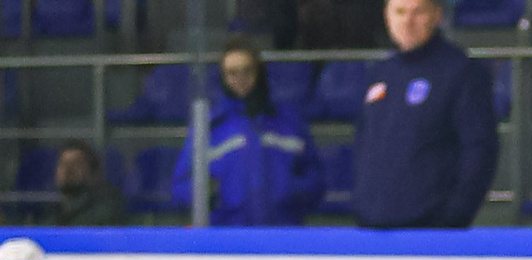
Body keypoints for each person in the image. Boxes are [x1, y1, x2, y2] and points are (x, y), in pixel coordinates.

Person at [351, 0, 499, 231]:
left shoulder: (461, 72)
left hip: (430, 232)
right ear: (387, 17)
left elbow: (480, 150)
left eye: (418, 12)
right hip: (372, 228)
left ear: (436, 15)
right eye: (399, 12)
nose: (407, 22)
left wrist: (453, 218)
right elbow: (363, 142)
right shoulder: (379, 74)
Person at [169, 39, 327, 227]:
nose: (240, 79)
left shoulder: (289, 121)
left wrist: (290, 190)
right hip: (228, 237)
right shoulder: (210, 128)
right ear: (223, 77)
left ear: (259, 72)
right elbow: (180, 187)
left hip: (283, 234)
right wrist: (211, 193)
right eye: (232, 73)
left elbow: (316, 179)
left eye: (247, 71)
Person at [47, 143, 128, 227]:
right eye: (63, 163)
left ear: (92, 173)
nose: (68, 169)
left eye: (76, 164)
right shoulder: (49, 211)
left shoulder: (105, 213)